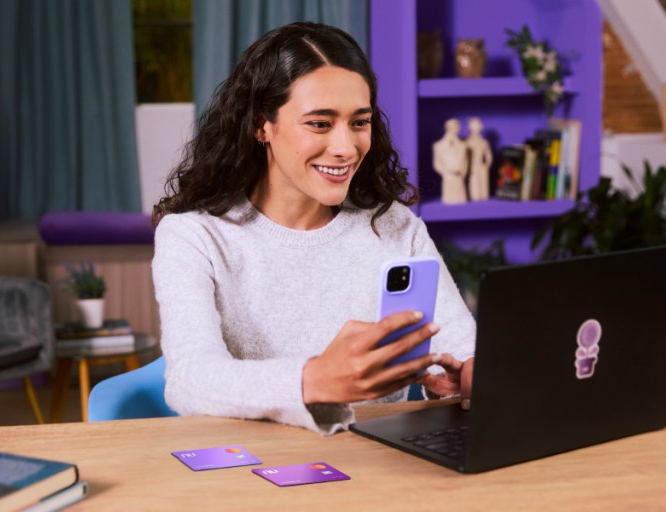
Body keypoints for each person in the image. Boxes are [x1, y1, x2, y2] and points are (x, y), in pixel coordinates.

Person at [151, 22, 475, 435]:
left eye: (359, 122)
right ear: (261, 125)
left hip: (378, 469)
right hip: (250, 469)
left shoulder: (393, 226)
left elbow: (464, 346)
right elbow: (190, 379)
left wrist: (466, 375)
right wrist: (316, 379)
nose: (345, 147)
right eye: (320, 124)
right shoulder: (194, 236)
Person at [432, 118, 469, 204]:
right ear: (447, 128)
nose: (456, 129)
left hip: (459, 177)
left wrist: (463, 172)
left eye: (457, 127)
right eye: (453, 127)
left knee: (460, 201)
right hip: (448, 177)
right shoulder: (438, 145)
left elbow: (465, 161)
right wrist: (446, 173)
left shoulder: (463, 145)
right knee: (449, 200)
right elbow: (437, 163)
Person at [466, 117, 493, 201]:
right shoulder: (466, 142)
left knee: (482, 184)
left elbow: (489, 156)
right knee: (474, 184)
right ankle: (474, 197)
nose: (476, 129)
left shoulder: (484, 142)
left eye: (478, 127)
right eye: (474, 127)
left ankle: (483, 196)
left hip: (481, 166)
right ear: (470, 128)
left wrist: (487, 165)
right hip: (471, 167)